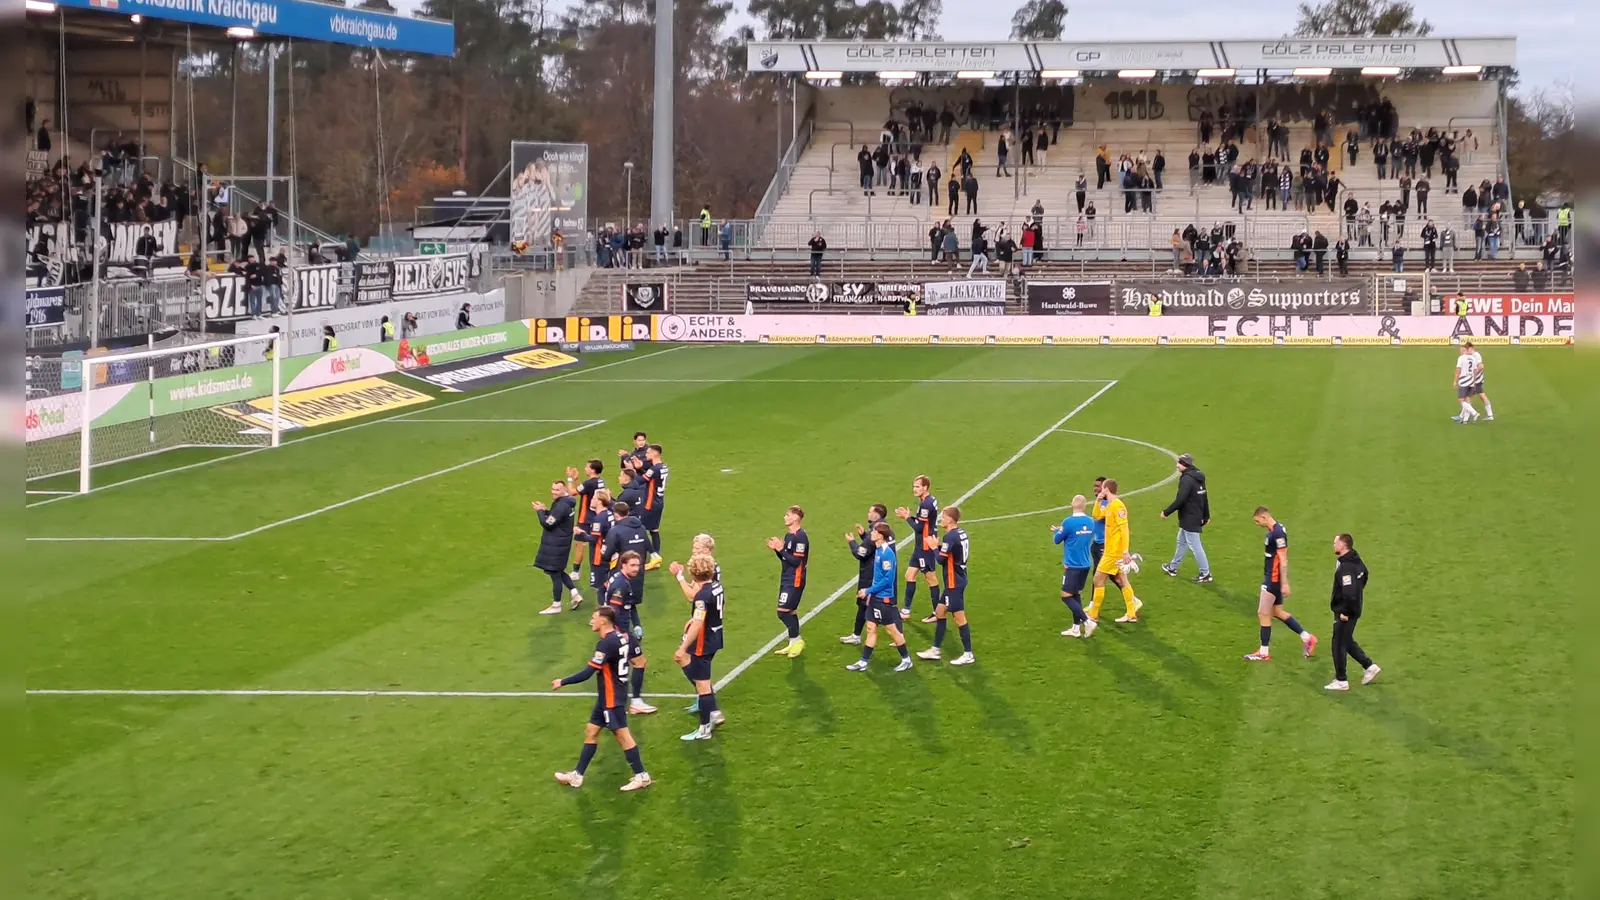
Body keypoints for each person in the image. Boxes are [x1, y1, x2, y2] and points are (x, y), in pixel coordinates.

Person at [549, 606, 653, 792]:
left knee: (622, 735)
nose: (591, 621)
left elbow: (589, 673)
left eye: (593, 617)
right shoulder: (624, 637)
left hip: (612, 697)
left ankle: (642, 776)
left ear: (604, 621)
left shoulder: (606, 644)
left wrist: (562, 681)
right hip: (608, 695)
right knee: (591, 732)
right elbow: (637, 659)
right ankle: (577, 776)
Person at [1244, 507, 1318, 661]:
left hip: (1273, 579)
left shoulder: (1277, 533)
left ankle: (1264, 652)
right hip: (1273, 577)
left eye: (1258, 521)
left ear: (1264, 517)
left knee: (1263, 613)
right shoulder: (1275, 530)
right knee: (1277, 612)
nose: (1258, 524)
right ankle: (1307, 638)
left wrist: (1285, 583)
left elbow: (1283, 560)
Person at [844, 522, 914, 673]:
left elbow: (888, 579)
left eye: (874, 532)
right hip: (875, 598)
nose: (871, 535)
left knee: (892, 630)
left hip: (883, 599)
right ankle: (863, 662)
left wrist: (868, 590)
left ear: (880, 536)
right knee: (870, 628)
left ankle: (906, 659)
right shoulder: (878, 551)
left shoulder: (887, 554)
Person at [669, 553, 725, 739]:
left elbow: (699, 623)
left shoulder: (702, 596)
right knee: (701, 681)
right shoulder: (717, 587)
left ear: (693, 574)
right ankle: (711, 714)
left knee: (702, 685)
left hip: (703, 642)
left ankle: (704, 729)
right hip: (716, 636)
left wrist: (683, 646)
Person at [916, 506, 974, 665]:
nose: (941, 518)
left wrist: (935, 547)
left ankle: (968, 653)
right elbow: (952, 553)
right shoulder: (961, 533)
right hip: (958, 578)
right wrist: (941, 547)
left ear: (950, 519)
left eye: (943, 516)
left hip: (954, 582)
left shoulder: (950, 536)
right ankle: (935, 650)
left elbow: (940, 560)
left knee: (959, 618)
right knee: (940, 612)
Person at [601, 551, 657, 715]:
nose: (636, 569)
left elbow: (628, 605)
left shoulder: (618, 578)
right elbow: (614, 609)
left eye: (638, 565)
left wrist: (637, 624)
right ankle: (634, 702)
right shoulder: (622, 584)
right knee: (637, 664)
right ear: (623, 565)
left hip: (617, 631)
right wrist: (621, 633)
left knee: (616, 668)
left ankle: (615, 704)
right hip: (620, 632)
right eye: (632, 565)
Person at [1326, 533, 1381, 691]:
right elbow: (1365, 574)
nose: (1333, 545)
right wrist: (1358, 593)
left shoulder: (1346, 567)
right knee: (1346, 640)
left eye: (1335, 543)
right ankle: (1369, 666)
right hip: (1354, 607)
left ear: (1342, 545)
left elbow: (1349, 592)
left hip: (1347, 611)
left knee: (1338, 643)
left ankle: (1341, 680)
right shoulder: (1354, 558)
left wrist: (1345, 611)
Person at [1086, 479, 1143, 624]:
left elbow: (1125, 530)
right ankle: (1131, 614)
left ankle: (1093, 614)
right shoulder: (1110, 505)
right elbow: (1097, 515)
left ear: (1106, 489)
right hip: (1111, 551)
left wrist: (1125, 551)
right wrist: (1098, 501)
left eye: (1102, 489)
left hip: (1113, 553)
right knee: (1122, 580)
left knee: (1098, 579)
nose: (1100, 491)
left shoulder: (1118, 506)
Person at [532, 479, 586, 616]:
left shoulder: (562, 505)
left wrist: (539, 512)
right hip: (561, 542)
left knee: (555, 573)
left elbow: (548, 523)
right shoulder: (566, 502)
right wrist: (545, 510)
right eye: (553, 489)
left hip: (556, 544)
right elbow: (556, 517)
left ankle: (557, 605)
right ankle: (575, 594)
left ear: (563, 491)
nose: (554, 492)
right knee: (559, 571)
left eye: (557, 490)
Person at [843, 505, 892, 645]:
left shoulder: (876, 531)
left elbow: (861, 553)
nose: (868, 513)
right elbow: (870, 544)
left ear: (877, 515)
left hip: (870, 575)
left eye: (870, 511)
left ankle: (897, 637)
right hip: (874, 573)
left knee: (872, 606)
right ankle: (856, 635)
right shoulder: (882, 528)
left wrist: (852, 542)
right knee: (864, 605)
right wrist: (863, 534)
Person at [896, 475, 941, 622]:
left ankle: (937, 612)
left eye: (917, 486)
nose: (914, 489)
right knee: (910, 575)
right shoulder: (929, 501)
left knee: (931, 579)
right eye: (914, 486)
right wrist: (911, 516)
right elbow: (924, 522)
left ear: (925, 487)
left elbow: (919, 528)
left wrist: (907, 518)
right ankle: (906, 611)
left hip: (926, 547)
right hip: (920, 546)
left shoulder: (925, 505)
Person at [1160, 453, 1211, 582]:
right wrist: (1206, 515)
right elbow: (1204, 496)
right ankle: (1173, 567)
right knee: (1181, 542)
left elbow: (1181, 499)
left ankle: (1205, 573)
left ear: (1185, 464)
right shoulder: (1198, 476)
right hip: (1195, 515)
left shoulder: (1186, 479)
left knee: (1195, 546)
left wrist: (1166, 512)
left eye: (1179, 463)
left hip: (1190, 517)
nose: (1177, 466)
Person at [1053, 495, 1098, 639]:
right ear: (1084, 506)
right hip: (1085, 564)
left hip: (1073, 565)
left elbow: (1057, 540)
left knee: (1065, 596)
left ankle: (1087, 621)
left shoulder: (1068, 522)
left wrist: (1058, 531)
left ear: (1071, 504)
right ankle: (1075, 628)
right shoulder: (1091, 522)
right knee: (1075, 594)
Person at [767, 505, 809, 658]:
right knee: (790, 611)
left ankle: (797, 640)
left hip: (795, 579)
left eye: (787, 515)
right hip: (786, 577)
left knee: (782, 612)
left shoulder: (800, 537)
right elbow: (786, 559)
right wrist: (778, 550)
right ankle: (793, 643)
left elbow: (797, 562)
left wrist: (781, 549)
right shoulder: (789, 536)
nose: (785, 517)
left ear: (796, 518)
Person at [572, 489, 615, 607]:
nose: (592, 500)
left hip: (599, 556)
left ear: (600, 502)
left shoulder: (599, 519)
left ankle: (605, 612)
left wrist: (580, 533)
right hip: (609, 553)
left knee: (601, 586)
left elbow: (594, 539)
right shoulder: (610, 514)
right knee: (607, 583)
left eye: (594, 498)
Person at [567, 460, 606, 576]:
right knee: (597, 542)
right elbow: (584, 491)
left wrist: (569, 478)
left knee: (580, 543)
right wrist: (576, 480)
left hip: (586, 517)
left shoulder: (589, 483)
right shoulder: (600, 481)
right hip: (597, 515)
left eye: (587, 467)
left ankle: (575, 571)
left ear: (592, 470)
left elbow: (571, 492)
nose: (585, 468)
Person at [636, 443, 669, 569]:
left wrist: (633, 471)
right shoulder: (663, 467)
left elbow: (640, 481)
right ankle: (656, 559)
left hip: (650, 503)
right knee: (654, 530)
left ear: (655, 453)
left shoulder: (654, 469)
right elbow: (651, 478)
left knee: (640, 529)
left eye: (649, 452)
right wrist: (640, 469)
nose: (646, 454)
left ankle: (652, 556)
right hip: (659, 502)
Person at [1451, 343, 1485, 423]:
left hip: (1464, 381)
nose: (1460, 351)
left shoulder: (1461, 358)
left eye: (1462, 350)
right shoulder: (1473, 359)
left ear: (1465, 350)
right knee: (1467, 400)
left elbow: (1458, 370)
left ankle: (1474, 413)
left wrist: (1455, 381)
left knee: (1461, 400)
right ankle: (1465, 420)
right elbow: (1475, 370)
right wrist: (1473, 382)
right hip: (1471, 380)